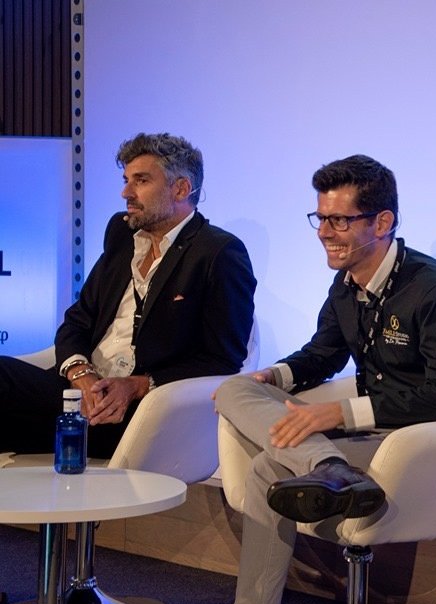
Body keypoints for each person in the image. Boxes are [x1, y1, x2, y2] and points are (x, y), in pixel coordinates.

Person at [214, 154, 436, 604]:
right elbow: (323, 353)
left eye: (339, 220)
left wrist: (340, 413)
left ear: (383, 222)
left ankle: (328, 467)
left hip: (420, 444)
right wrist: (273, 376)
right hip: (363, 437)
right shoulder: (345, 284)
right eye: (320, 218)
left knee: (267, 468)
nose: (324, 232)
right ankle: (328, 466)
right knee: (232, 390)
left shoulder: (434, 289)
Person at [0, 132, 256, 458]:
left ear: (181, 188)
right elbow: (77, 321)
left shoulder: (219, 252)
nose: (126, 192)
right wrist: (81, 374)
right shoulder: (123, 235)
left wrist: (138, 384)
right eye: (126, 180)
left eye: (141, 180)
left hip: (140, 412)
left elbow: (223, 359)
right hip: (78, 394)